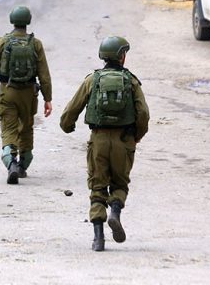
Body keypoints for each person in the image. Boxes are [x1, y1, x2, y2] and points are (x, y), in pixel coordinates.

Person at [60, 36, 150, 252]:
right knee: (120, 184)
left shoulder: (93, 80)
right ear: (122, 57)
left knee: (97, 187)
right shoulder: (131, 82)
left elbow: (71, 110)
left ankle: (98, 238)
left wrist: (68, 126)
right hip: (123, 140)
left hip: (98, 140)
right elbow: (144, 114)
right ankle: (115, 212)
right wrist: (136, 136)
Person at [0, 6, 53, 184]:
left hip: (8, 91)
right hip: (29, 93)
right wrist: (48, 98)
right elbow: (44, 74)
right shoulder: (35, 44)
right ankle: (23, 165)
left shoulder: (2, 42)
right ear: (28, 21)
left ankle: (11, 163)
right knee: (27, 127)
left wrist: (5, 78)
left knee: (9, 128)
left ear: (12, 20)